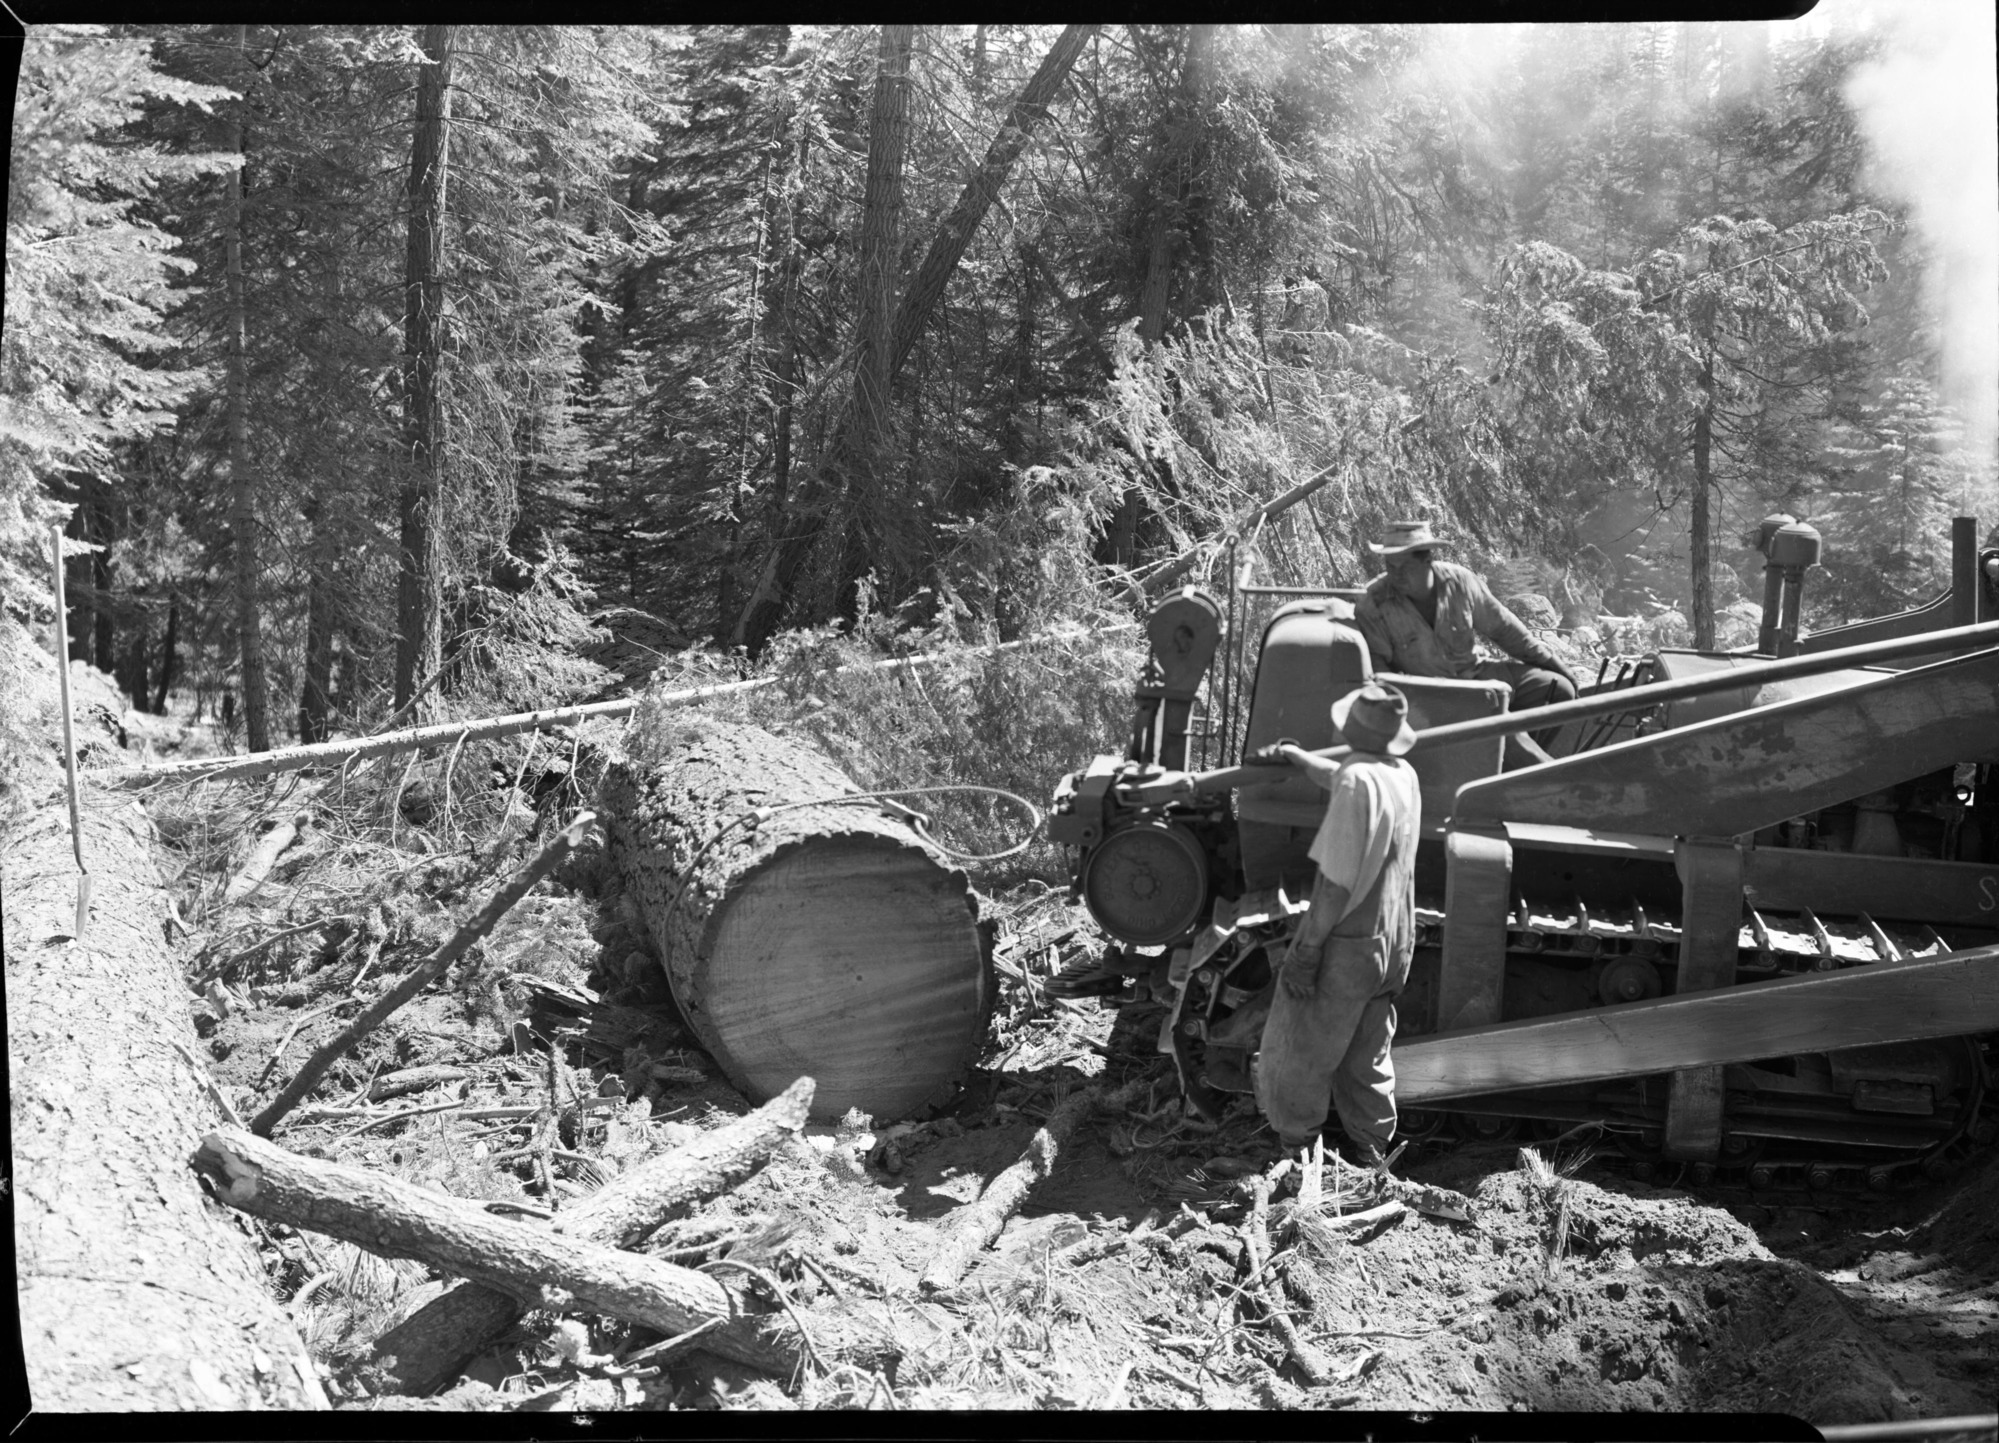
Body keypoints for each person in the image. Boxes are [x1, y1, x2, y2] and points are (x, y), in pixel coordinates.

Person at [1255, 682, 1423, 1168]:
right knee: (1366, 1053)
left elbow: (1334, 886)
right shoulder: (1401, 772)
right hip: (1394, 941)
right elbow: (1349, 775)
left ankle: (1295, 1155)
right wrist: (1298, 757)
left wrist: (1305, 952)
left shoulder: (1356, 784)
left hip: (1349, 944)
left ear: (1352, 726)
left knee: (1298, 1051)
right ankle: (1373, 1154)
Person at [1351, 519, 1581, 750]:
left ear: (1428, 560)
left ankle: (1511, 769)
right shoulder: (1374, 603)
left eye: (1405, 567)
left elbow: (1506, 631)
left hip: (1478, 675)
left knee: (1558, 690)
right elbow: (1381, 673)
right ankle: (1530, 776)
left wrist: (1558, 667)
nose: (1396, 575)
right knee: (1497, 726)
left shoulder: (1460, 581)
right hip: (1429, 696)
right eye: (1391, 567)